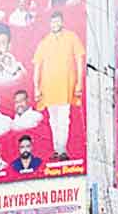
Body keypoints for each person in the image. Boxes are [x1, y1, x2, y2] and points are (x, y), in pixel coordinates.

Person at [32, 10, 85, 161]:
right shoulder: (44, 42)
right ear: (49, 24)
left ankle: (62, 150)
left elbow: (79, 61)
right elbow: (37, 66)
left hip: (65, 86)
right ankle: (57, 149)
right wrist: (36, 87)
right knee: (53, 121)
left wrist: (79, 83)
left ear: (62, 22)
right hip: (48, 89)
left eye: (57, 21)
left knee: (63, 119)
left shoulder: (71, 37)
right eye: (53, 22)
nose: (55, 24)